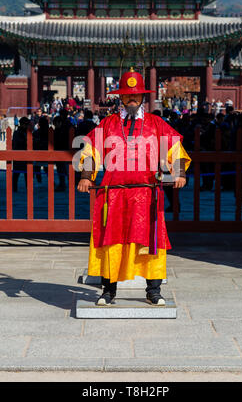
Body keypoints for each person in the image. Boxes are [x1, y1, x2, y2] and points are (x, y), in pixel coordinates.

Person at [77, 68, 191, 307]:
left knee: (151, 241)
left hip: (146, 193)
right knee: (112, 241)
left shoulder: (156, 124)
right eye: (128, 95)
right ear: (121, 97)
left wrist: (179, 171)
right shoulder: (107, 124)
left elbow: (175, 148)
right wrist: (87, 175)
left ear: (143, 98)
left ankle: (154, 290)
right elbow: (91, 149)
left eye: (136, 95)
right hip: (114, 193)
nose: (132, 99)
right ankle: (108, 291)